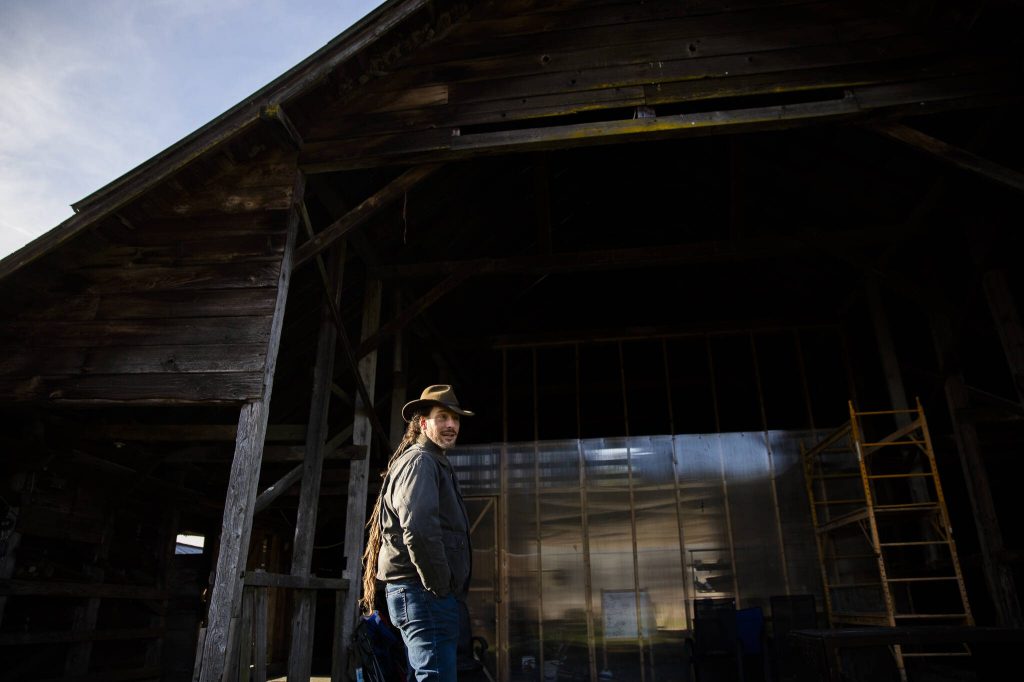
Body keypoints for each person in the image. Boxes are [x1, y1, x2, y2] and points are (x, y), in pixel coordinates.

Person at [360, 384, 474, 682]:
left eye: (456, 419)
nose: (451, 425)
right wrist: (439, 587)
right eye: (443, 417)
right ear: (423, 423)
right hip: (424, 593)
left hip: (422, 593)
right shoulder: (421, 461)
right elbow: (419, 529)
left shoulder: (433, 461)